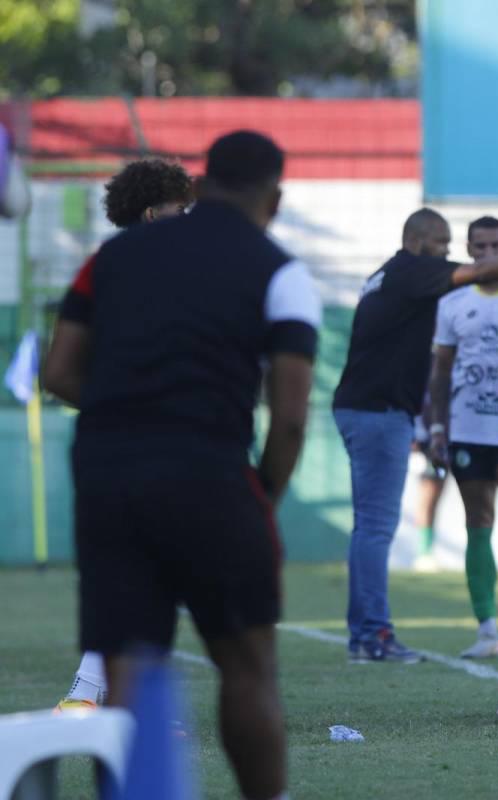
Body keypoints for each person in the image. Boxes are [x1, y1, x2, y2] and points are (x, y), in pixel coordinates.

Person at [43, 131, 318, 800]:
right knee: (247, 668)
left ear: (198, 187)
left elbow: (58, 371)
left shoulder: (110, 258)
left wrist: (121, 410)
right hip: (213, 476)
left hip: (111, 475)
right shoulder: (280, 270)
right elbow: (288, 416)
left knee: (127, 672)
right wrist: (265, 494)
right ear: (275, 198)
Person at [332, 207, 498, 664]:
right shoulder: (413, 270)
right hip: (380, 413)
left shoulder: (380, 275)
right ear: (418, 242)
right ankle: (374, 634)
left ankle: (362, 633)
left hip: (360, 408)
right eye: (442, 245)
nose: (447, 254)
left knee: (365, 528)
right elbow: (484, 270)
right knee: (376, 528)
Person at [46, 158, 194, 714]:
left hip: (105, 444)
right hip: (171, 445)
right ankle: (125, 707)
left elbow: (59, 373)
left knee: (122, 572)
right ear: (155, 212)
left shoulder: (97, 268)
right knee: (164, 574)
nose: (191, 218)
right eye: (184, 208)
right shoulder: (184, 275)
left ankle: (90, 692)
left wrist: (113, 406)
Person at [428, 216, 498, 659]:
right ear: (469, 250)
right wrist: (437, 426)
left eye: (496, 245)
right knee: (479, 523)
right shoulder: (452, 302)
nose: (488, 253)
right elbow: (441, 370)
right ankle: (487, 629)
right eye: (480, 246)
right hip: (468, 427)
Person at [411, 399, 448, 573]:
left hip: (450, 438)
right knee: (428, 495)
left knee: (436, 495)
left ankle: (427, 550)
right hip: (427, 442)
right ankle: (424, 552)